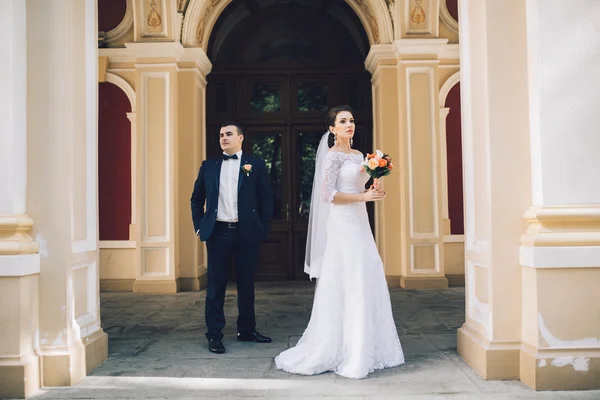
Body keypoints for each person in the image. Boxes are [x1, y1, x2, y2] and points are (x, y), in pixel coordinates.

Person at [274, 106, 405, 378]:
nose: (349, 124)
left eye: (352, 120)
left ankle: (367, 347)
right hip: (342, 223)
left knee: (365, 273)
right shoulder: (332, 157)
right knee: (348, 276)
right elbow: (328, 194)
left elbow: (360, 186)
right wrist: (362, 199)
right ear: (332, 129)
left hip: (360, 223)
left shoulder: (359, 156)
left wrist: (373, 188)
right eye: (343, 121)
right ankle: (339, 348)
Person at [191, 121, 274, 354]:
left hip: (246, 233)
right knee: (216, 285)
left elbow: (267, 198)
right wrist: (200, 226)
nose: (224, 138)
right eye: (221, 135)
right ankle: (214, 335)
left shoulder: (255, 164)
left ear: (240, 138)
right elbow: (196, 198)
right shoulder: (208, 166)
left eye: (229, 134)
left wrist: (263, 227)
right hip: (218, 233)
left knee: (246, 285)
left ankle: (247, 330)